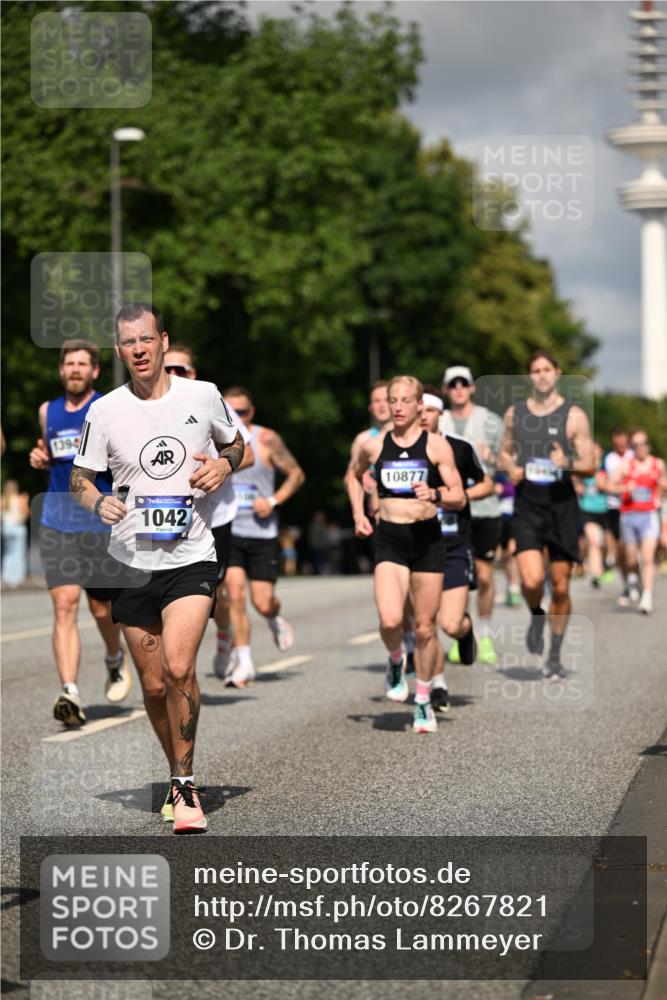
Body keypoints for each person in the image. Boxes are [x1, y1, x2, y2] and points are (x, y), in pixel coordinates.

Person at [71, 303, 245, 834]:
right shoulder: (104, 411)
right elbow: (81, 477)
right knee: (151, 687)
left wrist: (222, 463)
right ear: (120, 351)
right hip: (130, 564)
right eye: (129, 343)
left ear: (164, 341)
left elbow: (238, 443)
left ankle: (186, 786)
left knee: (178, 667)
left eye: (147, 339)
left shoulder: (202, 394)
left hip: (191, 556)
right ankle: (175, 770)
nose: (140, 350)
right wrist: (97, 502)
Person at [349, 376, 465, 734]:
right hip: (390, 539)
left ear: (419, 405)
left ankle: (423, 700)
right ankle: (397, 660)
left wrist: (436, 494)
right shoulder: (372, 446)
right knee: (389, 620)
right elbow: (353, 476)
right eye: (392, 400)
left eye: (405, 401)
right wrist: (358, 512)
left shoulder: (436, 446)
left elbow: (459, 495)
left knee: (426, 628)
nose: (397, 407)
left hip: (428, 540)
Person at [28, 339, 129, 727]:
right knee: (64, 605)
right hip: (57, 520)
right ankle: (69, 690)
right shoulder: (46, 411)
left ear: (95, 371)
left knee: (102, 609)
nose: (74, 370)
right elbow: (49, 455)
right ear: (61, 370)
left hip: (96, 522)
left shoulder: (108, 408)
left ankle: (113, 658)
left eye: (81, 364)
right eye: (68, 364)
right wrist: (40, 458)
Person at [500, 350, 595, 680]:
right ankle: (536, 613)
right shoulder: (516, 413)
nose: (541, 375)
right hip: (528, 505)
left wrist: (566, 463)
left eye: (547, 369)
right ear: (529, 377)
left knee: (562, 586)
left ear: (557, 373)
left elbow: (589, 464)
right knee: (531, 580)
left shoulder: (574, 416)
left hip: (562, 508)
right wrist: (510, 467)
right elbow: (505, 451)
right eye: (535, 370)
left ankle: (554, 653)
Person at [162, 344, 254, 682]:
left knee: (213, 593)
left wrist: (222, 465)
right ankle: (176, 666)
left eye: (181, 370)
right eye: (167, 368)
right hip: (166, 515)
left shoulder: (210, 400)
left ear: (193, 374)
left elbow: (249, 452)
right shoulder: (143, 406)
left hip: (214, 517)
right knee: (165, 590)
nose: (173, 375)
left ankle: (226, 637)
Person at [219, 386, 305, 688]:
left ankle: (274, 619)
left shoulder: (266, 440)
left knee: (263, 601)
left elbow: (297, 474)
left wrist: (273, 501)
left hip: (261, 533)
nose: (236, 418)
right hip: (230, 529)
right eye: (229, 412)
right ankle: (244, 662)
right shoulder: (215, 440)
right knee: (235, 595)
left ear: (251, 412)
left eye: (241, 412)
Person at [418, 389, 492, 711]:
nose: (423, 416)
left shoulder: (459, 449)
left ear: (440, 414)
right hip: (418, 546)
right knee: (425, 622)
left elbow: (487, 483)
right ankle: (438, 684)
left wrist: (457, 497)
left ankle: (465, 632)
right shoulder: (401, 450)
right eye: (418, 410)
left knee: (449, 623)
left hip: (455, 544)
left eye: (429, 411)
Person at [344, 381, 417, 670]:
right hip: (382, 520)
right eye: (375, 401)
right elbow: (352, 475)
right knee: (395, 588)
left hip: (416, 520)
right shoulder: (365, 440)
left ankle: (413, 635)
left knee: (413, 587)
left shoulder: (416, 434)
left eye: (385, 399)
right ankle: (405, 639)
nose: (382, 405)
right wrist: (358, 513)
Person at [439, 366, 504, 665]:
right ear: (446, 390)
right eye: (453, 385)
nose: (459, 389)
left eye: (464, 383)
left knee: (485, 576)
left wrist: (492, 458)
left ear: (472, 387)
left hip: (484, 509)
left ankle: (485, 632)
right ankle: (459, 632)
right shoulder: (439, 420)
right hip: (450, 514)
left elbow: (509, 459)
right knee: (459, 578)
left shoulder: (489, 421)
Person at [608, 428, 667, 614]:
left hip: (649, 515)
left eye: (644, 443)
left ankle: (647, 597)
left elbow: (664, 485)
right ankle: (633, 580)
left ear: (649, 445)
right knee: (631, 558)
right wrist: (625, 487)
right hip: (629, 515)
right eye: (636, 445)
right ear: (632, 447)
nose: (641, 448)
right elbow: (610, 485)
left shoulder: (657, 464)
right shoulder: (627, 465)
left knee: (648, 557)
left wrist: (662, 489)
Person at [598, 427, 634, 604]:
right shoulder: (608, 458)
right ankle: (627, 583)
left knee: (631, 550)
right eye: (616, 440)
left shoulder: (634, 457)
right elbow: (601, 484)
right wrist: (621, 488)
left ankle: (635, 578)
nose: (620, 443)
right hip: (613, 508)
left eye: (623, 440)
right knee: (619, 548)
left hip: (633, 508)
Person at [574, 442, 608, 588]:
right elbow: (574, 481)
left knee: (604, 544)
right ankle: (596, 574)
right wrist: (578, 486)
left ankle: (601, 565)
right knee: (593, 541)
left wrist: (606, 484)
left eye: (597, 450)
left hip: (605, 510)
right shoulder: (583, 467)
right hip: (587, 510)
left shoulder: (606, 468)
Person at [495, 472, 521, 606]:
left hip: (516, 518)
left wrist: (504, 489)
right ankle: (510, 585)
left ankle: (514, 587)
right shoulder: (498, 475)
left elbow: (513, 490)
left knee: (512, 553)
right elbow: (494, 490)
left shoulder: (520, 470)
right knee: (506, 556)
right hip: (500, 518)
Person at [1, 480, 30, 587]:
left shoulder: (2, 500)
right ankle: (17, 578)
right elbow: (26, 514)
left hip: (6, 528)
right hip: (18, 527)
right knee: (19, 553)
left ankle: (7, 577)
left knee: (8, 553)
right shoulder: (20, 499)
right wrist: (26, 502)